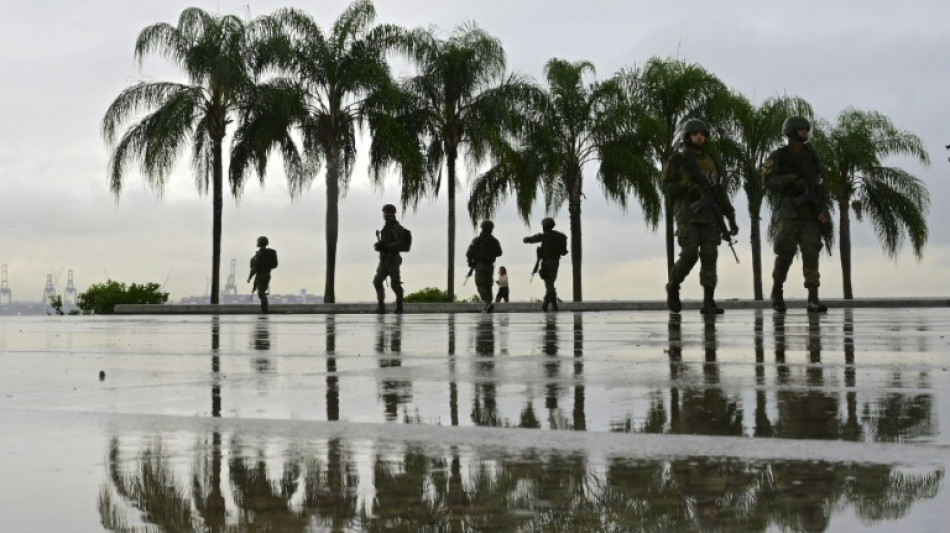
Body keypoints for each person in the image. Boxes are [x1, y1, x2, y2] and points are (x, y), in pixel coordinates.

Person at [663, 119, 739, 315]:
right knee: (689, 255)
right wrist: (688, 185)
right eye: (695, 133)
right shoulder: (678, 160)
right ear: (688, 137)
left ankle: (708, 301)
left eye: (702, 134)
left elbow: (720, 192)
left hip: (710, 217)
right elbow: (667, 187)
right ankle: (673, 285)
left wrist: (730, 217)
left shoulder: (712, 161)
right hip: (687, 215)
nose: (699, 136)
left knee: (709, 256)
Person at [763, 116, 830, 313]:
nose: (805, 132)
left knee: (811, 252)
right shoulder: (779, 155)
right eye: (801, 129)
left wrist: (822, 208)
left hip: (810, 213)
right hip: (789, 212)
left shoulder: (812, 156)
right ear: (792, 131)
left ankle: (813, 297)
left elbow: (820, 185)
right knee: (785, 253)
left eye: (806, 129)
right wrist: (792, 180)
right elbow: (768, 181)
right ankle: (777, 291)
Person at [523, 217, 568, 312]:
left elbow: (535, 238)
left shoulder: (545, 236)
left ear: (545, 226)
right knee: (550, 283)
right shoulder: (560, 236)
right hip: (556, 262)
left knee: (549, 284)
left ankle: (555, 306)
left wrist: (527, 239)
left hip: (547, 263)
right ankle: (545, 305)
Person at [373, 203, 409, 314]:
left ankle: (399, 307)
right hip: (384, 260)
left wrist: (386, 247)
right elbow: (386, 242)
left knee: (395, 284)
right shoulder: (386, 227)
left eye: (385, 213)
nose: (383, 215)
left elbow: (400, 243)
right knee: (377, 281)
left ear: (389, 213)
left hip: (393, 260)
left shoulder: (396, 227)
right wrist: (379, 246)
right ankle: (381, 307)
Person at [466, 220, 503, 312]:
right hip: (489, 266)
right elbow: (499, 253)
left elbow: (469, 253)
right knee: (488, 286)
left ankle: (488, 303)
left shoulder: (477, 240)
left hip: (480, 265)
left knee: (480, 285)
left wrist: (470, 263)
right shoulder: (494, 241)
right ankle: (488, 305)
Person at [247, 236, 278, 313]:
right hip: (267, 275)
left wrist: (249, 278)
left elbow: (254, 268)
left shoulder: (258, 255)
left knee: (261, 294)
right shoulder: (269, 254)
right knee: (262, 293)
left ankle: (265, 311)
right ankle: (264, 310)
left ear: (258, 243)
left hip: (261, 275)